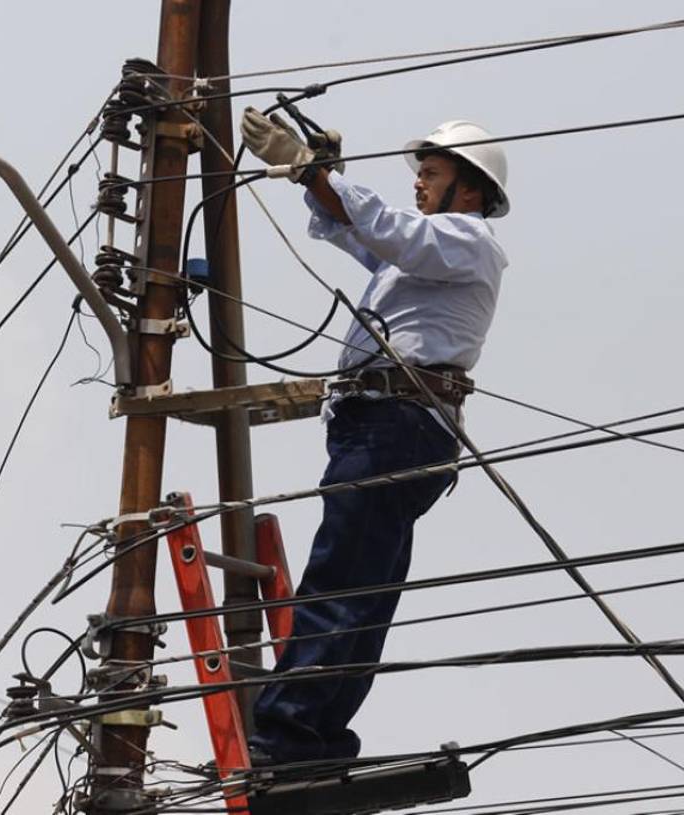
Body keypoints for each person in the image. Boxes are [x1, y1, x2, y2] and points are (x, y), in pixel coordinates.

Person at [237, 110, 510, 765]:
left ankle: (288, 735)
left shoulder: (466, 241)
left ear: (468, 191)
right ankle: (318, 737)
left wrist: (313, 169)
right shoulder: (422, 259)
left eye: (432, 174)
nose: (420, 184)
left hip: (396, 424)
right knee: (359, 591)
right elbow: (355, 227)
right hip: (389, 426)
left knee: (339, 583)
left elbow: (390, 229)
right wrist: (320, 180)